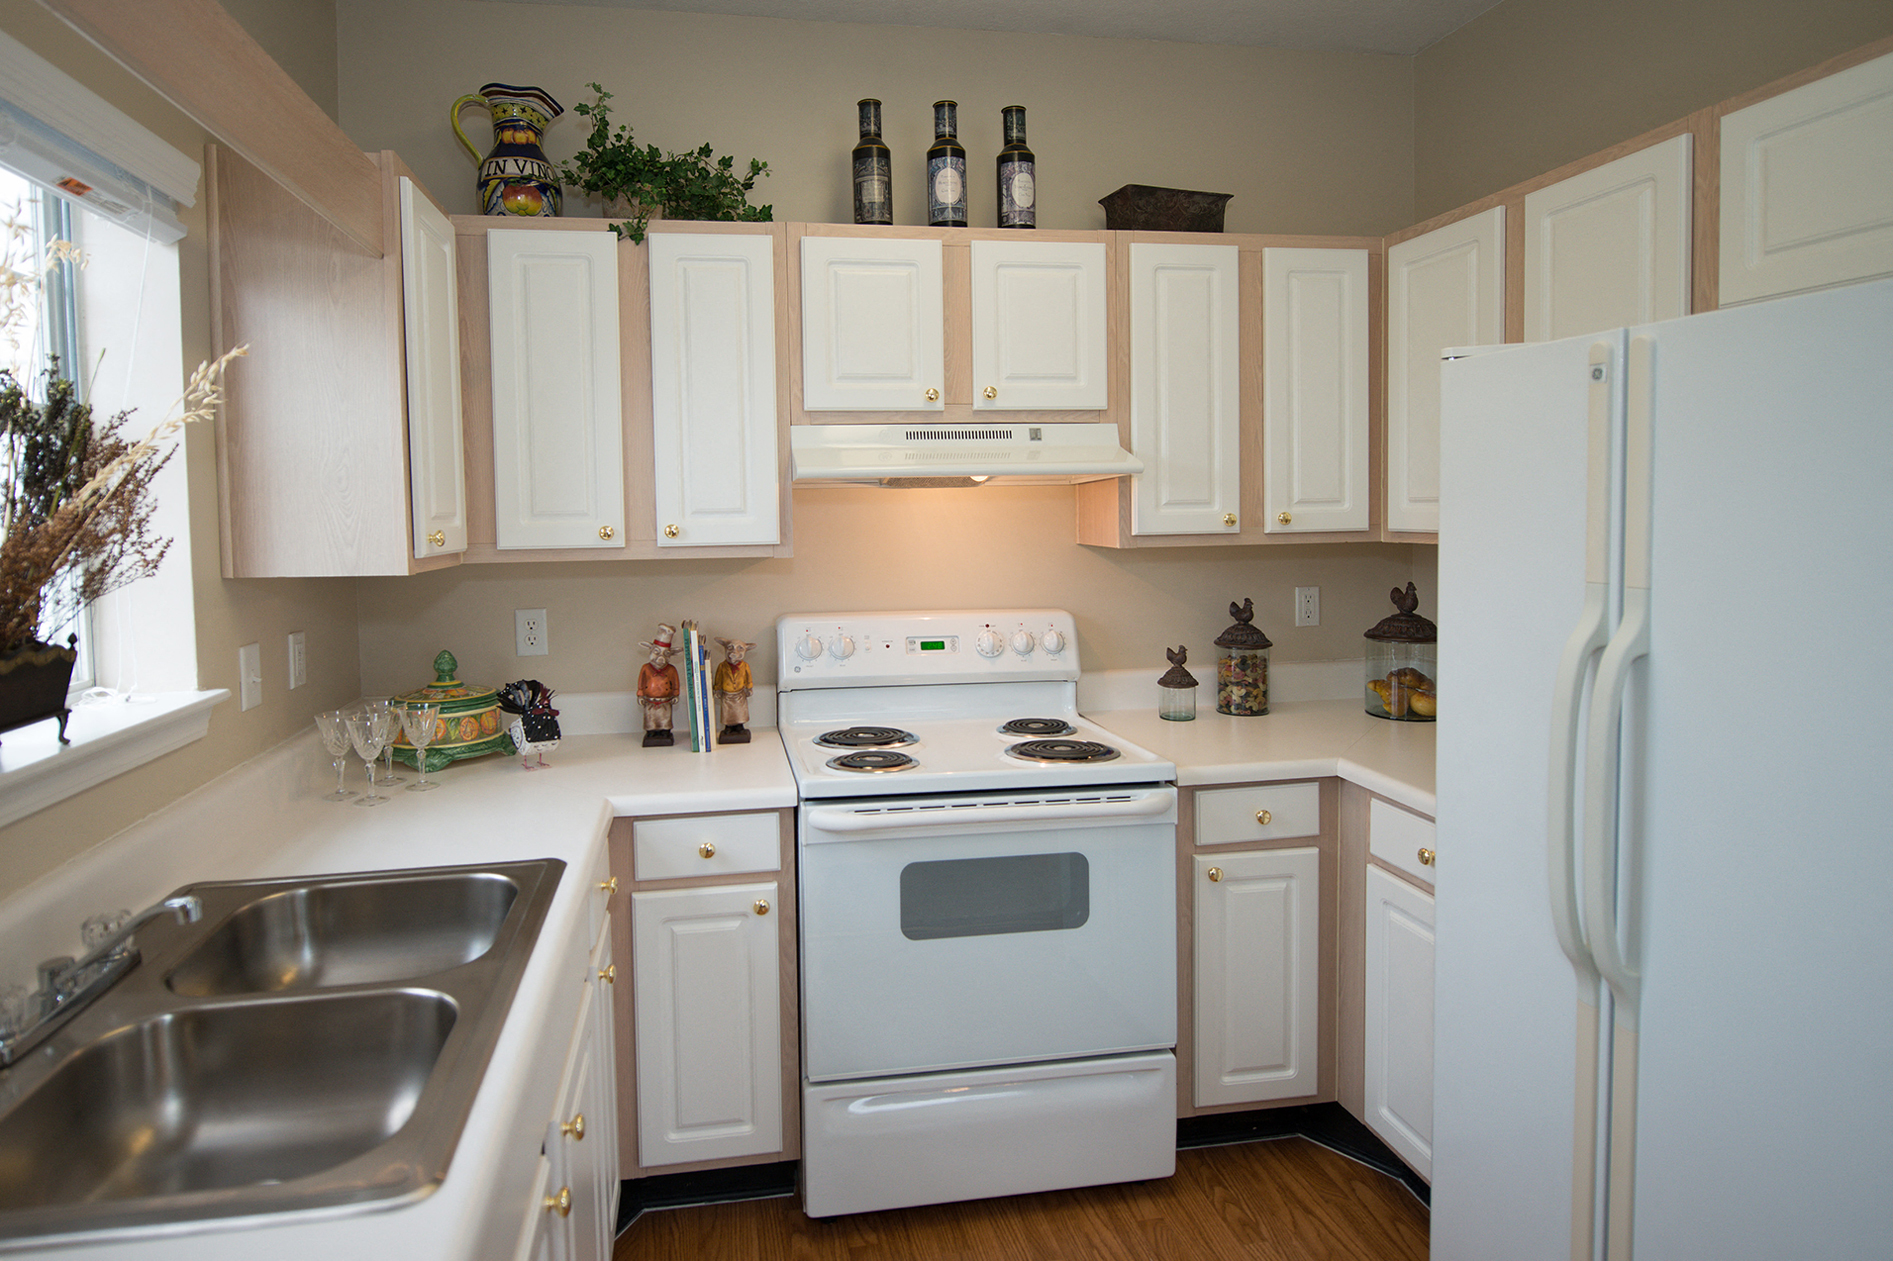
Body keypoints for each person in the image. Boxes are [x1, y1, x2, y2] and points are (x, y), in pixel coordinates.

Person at [636, 624, 680, 747]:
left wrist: (676, 693)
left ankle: (664, 732)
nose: (661, 658)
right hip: (650, 700)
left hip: (665, 700)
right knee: (651, 718)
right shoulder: (645, 668)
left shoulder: (671, 669)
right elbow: (641, 681)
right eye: (657, 652)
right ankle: (651, 732)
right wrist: (640, 694)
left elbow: (675, 682)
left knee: (664, 718)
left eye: (666, 654)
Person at [712, 637, 757, 743]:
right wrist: (717, 689)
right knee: (728, 712)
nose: (734, 651)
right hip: (727, 695)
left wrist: (749, 687)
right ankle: (728, 727)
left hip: (740, 694)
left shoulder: (745, 666)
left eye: (740, 648)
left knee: (740, 712)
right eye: (730, 647)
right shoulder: (722, 666)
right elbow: (718, 679)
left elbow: (748, 677)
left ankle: (739, 726)